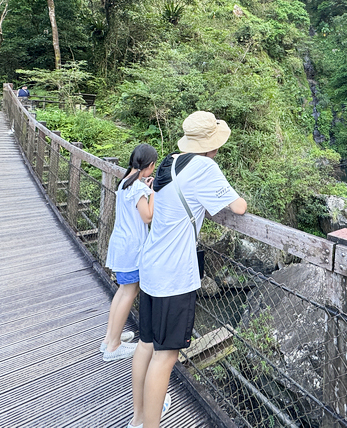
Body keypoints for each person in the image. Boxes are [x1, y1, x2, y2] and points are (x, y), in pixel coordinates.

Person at [129, 111, 247, 428]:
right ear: (211, 143)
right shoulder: (205, 166)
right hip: (174, 275)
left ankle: (139, 418)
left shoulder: (168, 161)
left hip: (151, 264)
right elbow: (238, 207)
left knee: (146, 344)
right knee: (166, 356)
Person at [101, 144, 158, 361]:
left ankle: (110, 338)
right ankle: (114, 346)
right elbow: (148, 216)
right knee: (129, 292)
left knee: (123, 291)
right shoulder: (138, 188)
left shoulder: (125, 182)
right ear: (150, 164)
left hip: (121, 244)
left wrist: (146, 188)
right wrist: (153, 192)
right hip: (132, 248)